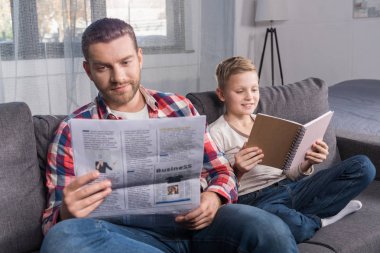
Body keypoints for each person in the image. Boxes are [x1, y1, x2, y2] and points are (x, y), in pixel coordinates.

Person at [41, 18, 299, 253]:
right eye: (103, 68)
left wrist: (214, 197)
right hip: (125, 238)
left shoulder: (178, 107)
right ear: (88, 71)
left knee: (269, 228)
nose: (118, 77)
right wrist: (65, 212)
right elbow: (50, 224)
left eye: (125, 62)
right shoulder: (71, 131)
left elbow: (222, 171)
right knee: (63, 237)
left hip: (198, 226)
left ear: (140, 58)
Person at [208, 56, 376, 243]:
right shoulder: (215, 134)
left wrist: (308, 162)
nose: (250, 97)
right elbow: (214, 187)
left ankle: (303, 215)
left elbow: (290, 172)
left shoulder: (268, 123)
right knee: (296, 228)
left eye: (254, 89)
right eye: (240, 91)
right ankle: (320, 219)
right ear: (222, 94)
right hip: (256, 200)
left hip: (291, 187)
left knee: (363, 166)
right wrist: (237, 170)